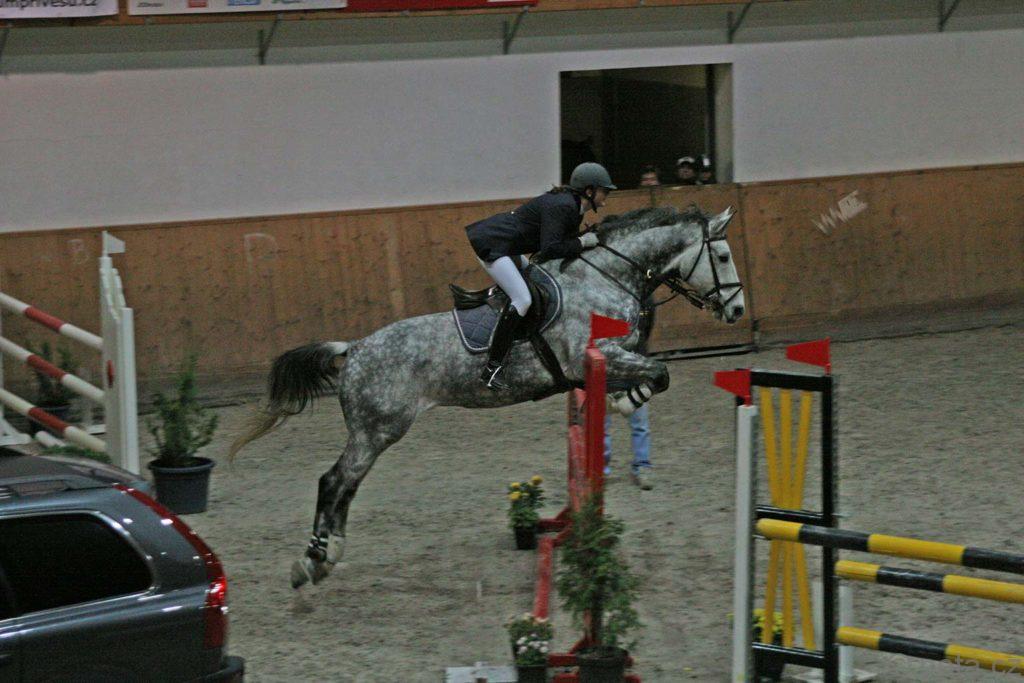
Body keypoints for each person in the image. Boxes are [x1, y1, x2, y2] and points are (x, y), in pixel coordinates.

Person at [465, 162, 616, 390]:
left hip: (508, 247)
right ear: (589, 191)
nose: (607, 195)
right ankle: (492, 368)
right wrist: (582, 242)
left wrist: (583, 238)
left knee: (534, 281)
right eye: (604, 190)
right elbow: (550, 249)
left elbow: (559, 244)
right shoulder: (564, 206)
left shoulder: (573, 207)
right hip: (494, 245)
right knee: (523, 299)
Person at [604, 297, 656, 490]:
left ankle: (642, 465)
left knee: (640, 422)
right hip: (610, 366)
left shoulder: (645, 300)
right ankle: (602, 468)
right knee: (603, 423)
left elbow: (647, 327)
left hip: (635, 366)